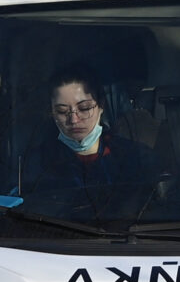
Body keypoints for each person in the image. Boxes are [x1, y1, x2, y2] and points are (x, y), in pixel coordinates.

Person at [10, 66, 156, 195]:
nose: (74, 120)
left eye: (84, 108)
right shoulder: (35, 164)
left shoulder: (135, 157)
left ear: (101, 106)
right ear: (51, 112)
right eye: (62, 111)